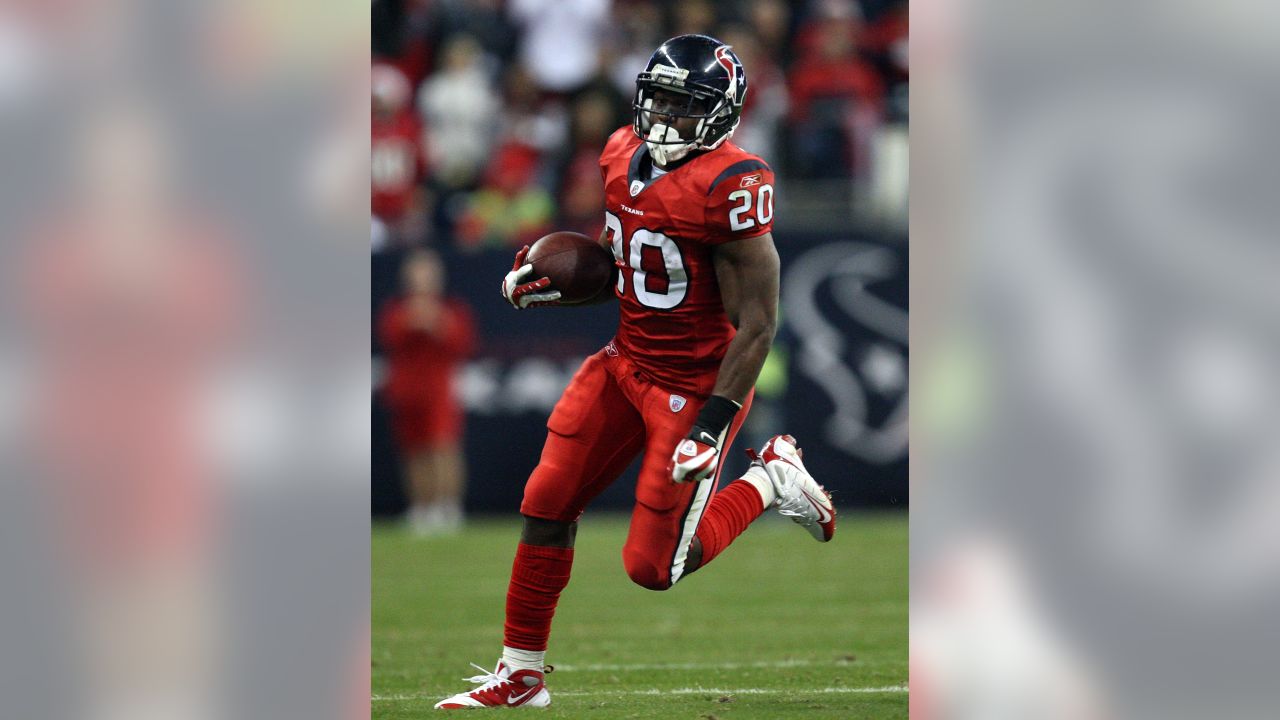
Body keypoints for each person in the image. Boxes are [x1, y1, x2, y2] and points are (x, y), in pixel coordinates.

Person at [434, 34, 836, 709]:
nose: (663, 119)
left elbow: (759, 322)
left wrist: (712, 424)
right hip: (623, 363)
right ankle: (521, 672)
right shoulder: (620, 152)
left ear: (720, 114)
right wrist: (550, 282)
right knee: (545, 502)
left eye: (683, 106)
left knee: (653, 568)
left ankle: (770, 478)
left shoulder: (733, 184)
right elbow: (630, 272)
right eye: (658, 101)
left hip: (692, 383)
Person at [377, 249, 476, 535]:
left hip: (439, 389)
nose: (421, 280)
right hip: (406, 389)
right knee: (413, 451)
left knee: (442, 447)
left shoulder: (452, 309)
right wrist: (412, 321)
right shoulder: (397, 309)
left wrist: (436, 324)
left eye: (427, 274)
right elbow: (390, 337)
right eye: (416, 274)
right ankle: (421, 507)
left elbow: (462, 343)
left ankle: (447, 507)